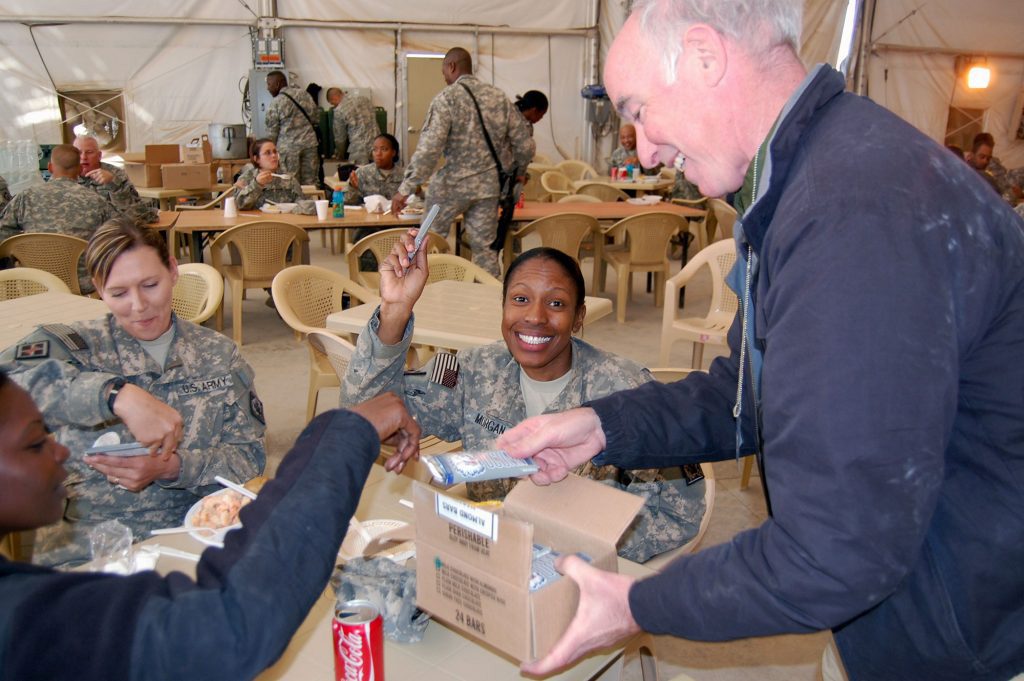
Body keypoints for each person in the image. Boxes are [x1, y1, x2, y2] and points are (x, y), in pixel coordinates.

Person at [453, 1, 1023, 679]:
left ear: (703, 56)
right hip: (912, 609)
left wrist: (638, 603)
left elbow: (833, 551)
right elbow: (746, 390)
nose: (641, 149)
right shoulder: (810, 175)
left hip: (968, 636)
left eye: (637, 111)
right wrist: (600, 426)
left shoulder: (854, 212)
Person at [0, 368, 421, 681]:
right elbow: (225, 625)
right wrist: (343, 437)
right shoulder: (20, 618)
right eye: (36, 442)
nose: (59, 452)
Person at [341, 243, 705, 563]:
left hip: (577, 576)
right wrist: (395, 310)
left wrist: (579, 547)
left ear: (578, 318)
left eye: (557, 303)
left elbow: (680, 512)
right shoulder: (474, 372)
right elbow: (367, 418)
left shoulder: (626, 389)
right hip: (489, 565)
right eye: (520, 299)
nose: (534, 316)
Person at [0, 218, 267, 567]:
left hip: (192, 537)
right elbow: (11, 378)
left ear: (173, 270)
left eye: (150, 284)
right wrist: (113, 394)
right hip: (87, 549)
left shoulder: (218, 356)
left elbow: (250, 460)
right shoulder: (76, 347)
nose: (139, 306)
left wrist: (175, 467)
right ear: (97, 287)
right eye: (119, 293)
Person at [391, 47, 533, 277]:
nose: (444, 77)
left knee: (428, 243)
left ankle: (426, 293)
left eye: (444, 71)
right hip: (488, 188)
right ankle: (488, 302)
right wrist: (517, 172)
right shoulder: (498, 97)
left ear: (452, 67)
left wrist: (405, 189)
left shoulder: (447, 98)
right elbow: (525, 146)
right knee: (485, 250)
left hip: (449, 188)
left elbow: (429, 150)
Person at [0, 145, 123, 293]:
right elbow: (121, 235)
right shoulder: (96, 201)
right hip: (82, 284)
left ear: (50, 167)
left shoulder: (25, 198)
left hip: (35, 282)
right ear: (79, 169)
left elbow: (3, 234)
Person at [73, 135, 159, 224]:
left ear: (99, 155)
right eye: (78, 152)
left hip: (110, 231)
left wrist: (114, 184)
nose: (83, 157)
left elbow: (138, 212)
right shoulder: (66, 175)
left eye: (89, 152)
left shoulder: (115, 174)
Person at [264, 70, 320, 186]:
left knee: (290, 183)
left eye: (269, 84)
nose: (267, 88)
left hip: (289, 150)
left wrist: (268, 152)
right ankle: (310, 204)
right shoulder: (304, 95)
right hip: (310, 145)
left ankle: (294, 205)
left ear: (278, 84)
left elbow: (272, 132)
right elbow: (316, 117)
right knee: (311, 184)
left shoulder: (276, 102)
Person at [234, 138, 308, 212]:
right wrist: (257, 184)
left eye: (275, 152)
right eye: (267, 153)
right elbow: (240, 205)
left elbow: (302, 204)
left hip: (284, 221)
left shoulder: (287, 178)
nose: (273, 156)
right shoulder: (247, 178)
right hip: (257, 222)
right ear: (256, 159)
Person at [327, 86, 378, 166]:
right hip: (377, 145)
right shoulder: (364, 99)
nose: (334, 106)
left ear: (333, 99)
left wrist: (340, 153)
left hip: (359, 150)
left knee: (358, 176)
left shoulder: (339, 110)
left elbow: (340, 138)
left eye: (332, 103)